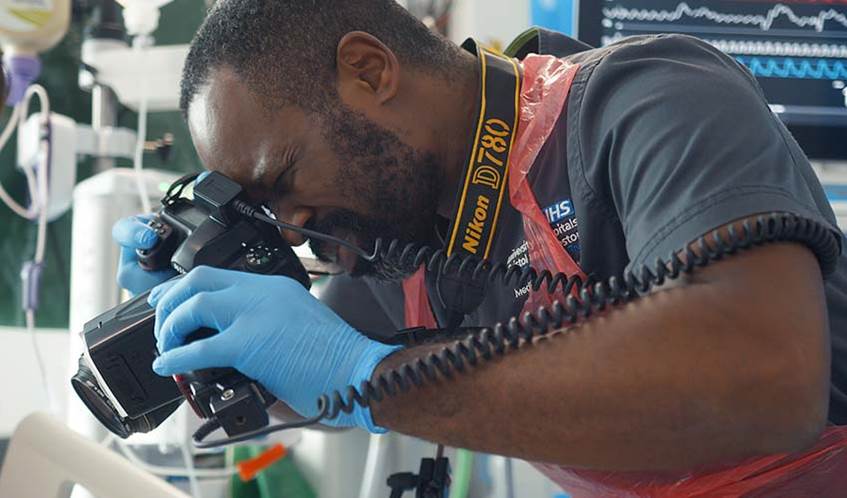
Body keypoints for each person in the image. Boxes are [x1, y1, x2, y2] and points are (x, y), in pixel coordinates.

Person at [113, 0, 847, 495]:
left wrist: (374, 377)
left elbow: (766, 379)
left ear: (369, 72)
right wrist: (195, 331)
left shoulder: (648, 97)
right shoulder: (395, 245)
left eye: (283, 181)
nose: (294, 225)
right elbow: (302, 385)